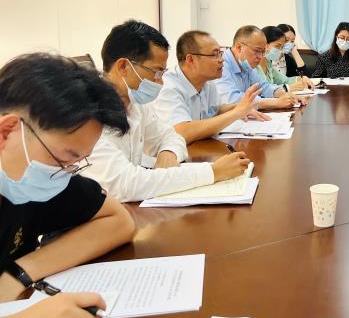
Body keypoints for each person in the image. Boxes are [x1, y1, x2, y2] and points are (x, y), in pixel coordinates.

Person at [0, 53, 135, 318]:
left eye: (76, 162)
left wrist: (18, 273)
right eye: (63, 159)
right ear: (7, 132)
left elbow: (119, 221)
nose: (65, 173)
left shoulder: (34, 179)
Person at [84, 20, 250, 203]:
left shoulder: (135, 103)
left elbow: (171, 136)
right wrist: (212, 172)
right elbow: (125, 185)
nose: (161, 82)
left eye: (163, 73)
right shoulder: (89, 115)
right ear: (123, 66)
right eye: (156, 72)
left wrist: (168, 152)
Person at [154, 30, 270, 145]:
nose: (221, 59)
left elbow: (216, 110)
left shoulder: (207, 82)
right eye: (215, 55)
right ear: (191, 59)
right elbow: (182, 132)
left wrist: (240, 107)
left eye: (220, 53)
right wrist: (236, 113)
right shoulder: (168, 87)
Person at [215, 25, 299, 109]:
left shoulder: (246, 64)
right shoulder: (221, 65)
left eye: (263, 52)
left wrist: (284, 94)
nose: (260, 57)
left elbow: (264, 86)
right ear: (239, 48)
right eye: (257, 51)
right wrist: (274, 103)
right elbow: (231, 99)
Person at [256, 26, 314, 92]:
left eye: (282, 47)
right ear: (265, 44)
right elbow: (261, 90)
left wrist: (301, 78)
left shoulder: (268, 63)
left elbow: (285, 80)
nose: (280, 50)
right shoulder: (253, 65)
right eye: (277, 46)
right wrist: (287, 88)